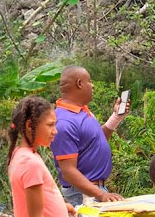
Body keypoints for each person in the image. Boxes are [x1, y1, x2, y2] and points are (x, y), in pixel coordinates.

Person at [7, 96, 101, 217]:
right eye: (50, 125)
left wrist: (61, 205)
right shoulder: (29, 163)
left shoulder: (22, 154)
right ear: (29, 125)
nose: (55, 131)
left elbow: (35, 199)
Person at [52, 66, 130, 206]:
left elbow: (96, 141)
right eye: (90, 81)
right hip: (82, 195)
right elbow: (68, 171)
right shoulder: (64, 123)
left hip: (93, 191)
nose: (92, 85)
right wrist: (100, 194)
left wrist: (116, 117)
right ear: (80, 83)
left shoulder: (83, 112)